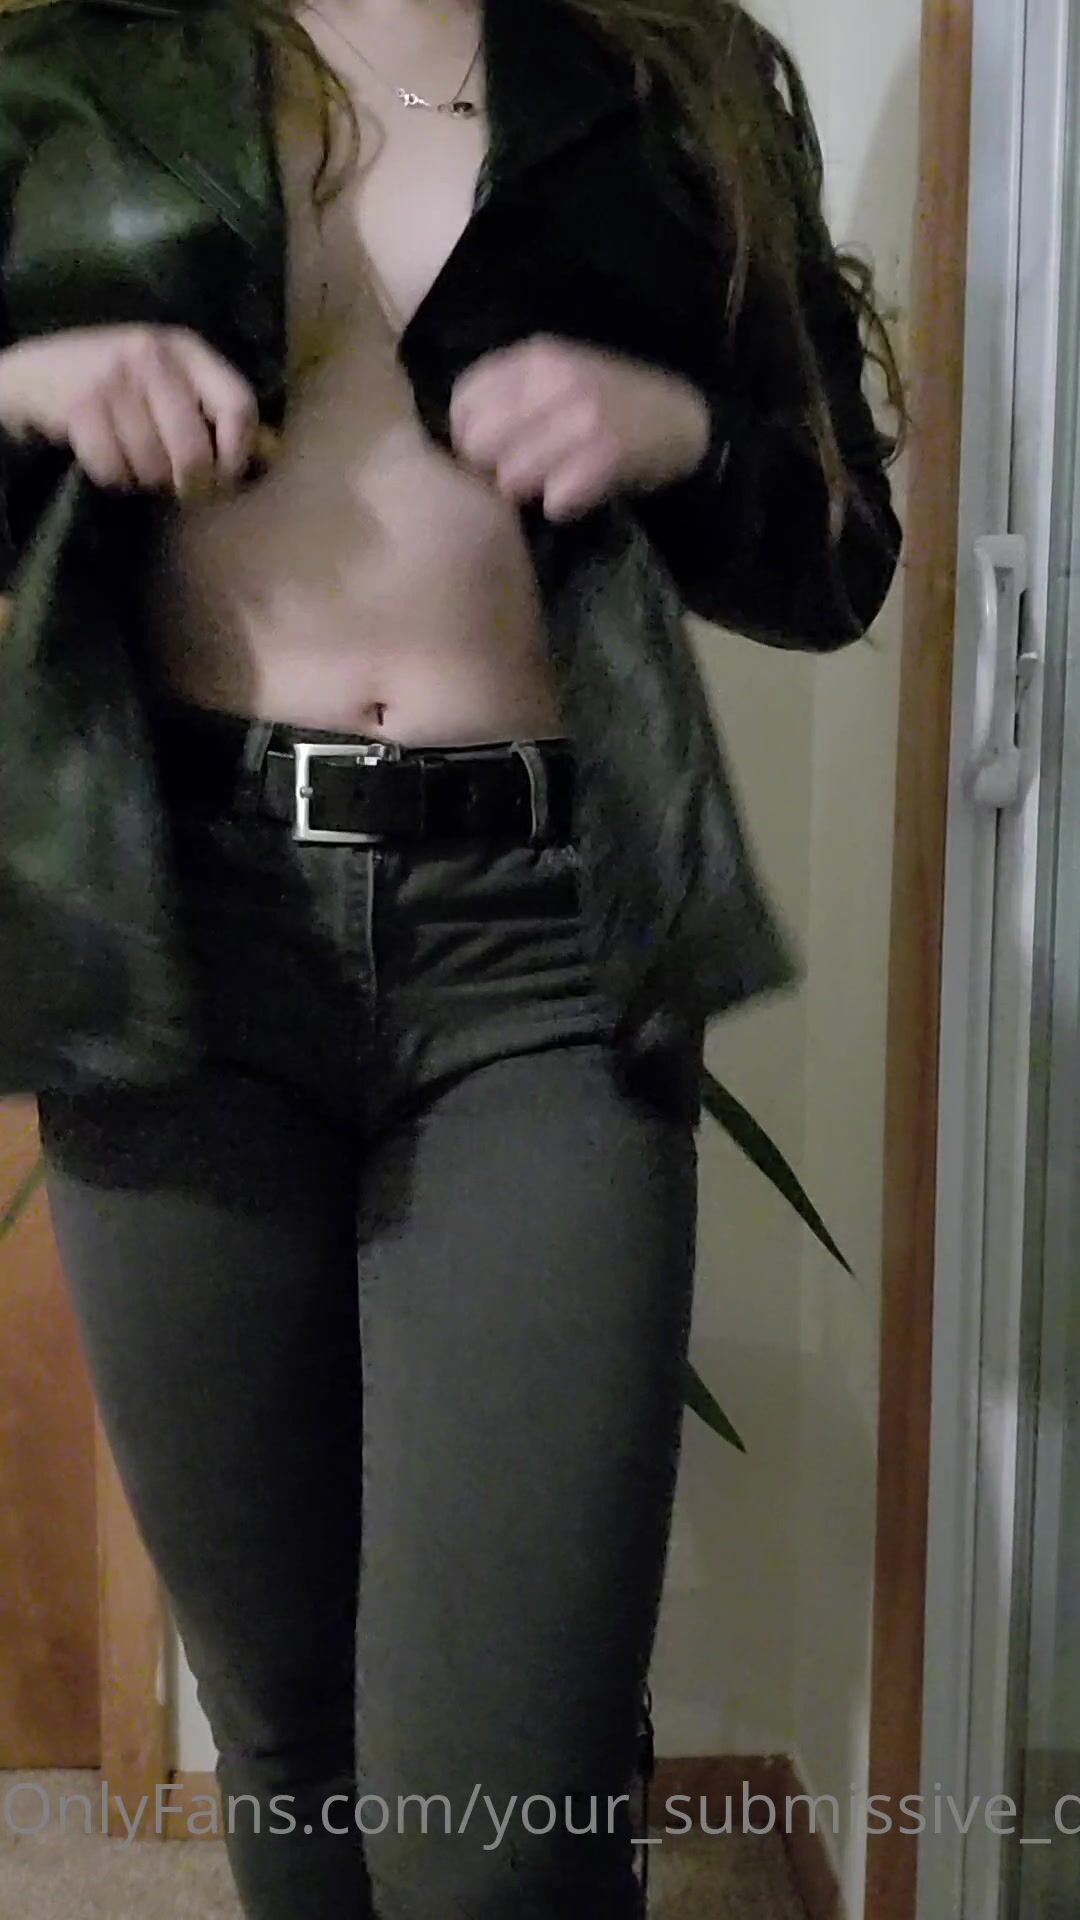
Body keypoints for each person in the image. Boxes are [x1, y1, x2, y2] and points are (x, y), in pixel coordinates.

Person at [0, 0, 903, 1913]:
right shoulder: (84, 68)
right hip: (186, 948)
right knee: (287, 1737)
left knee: (503, 1817)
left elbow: (839, 554)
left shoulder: (674, 81)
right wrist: (19, 386)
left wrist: (679, 432)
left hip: (542, 960)